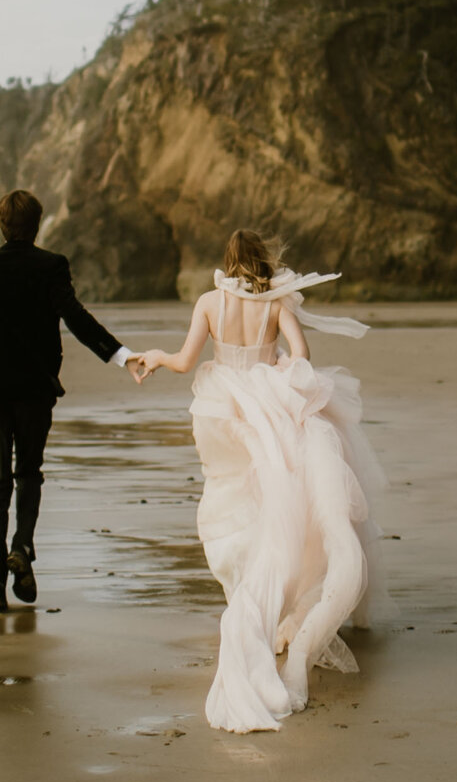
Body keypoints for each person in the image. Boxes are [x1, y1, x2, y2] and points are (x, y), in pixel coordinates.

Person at [133, 229, 394, 732]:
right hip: (266, 409)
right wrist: (273, 372)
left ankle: (249, 599)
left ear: (226, 260)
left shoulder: (210, 302)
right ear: (261, 260)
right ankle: (279, 610)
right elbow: (301, 356)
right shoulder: (276, 304)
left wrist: (154, 357)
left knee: (232, 497)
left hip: (221, 412)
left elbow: (186, 361)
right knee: (277, 499)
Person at [0, 189, 138, 614]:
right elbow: (75, 317)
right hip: (35, 387)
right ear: (37, 225)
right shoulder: (51, 266)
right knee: (28, 472)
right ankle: (23, 545)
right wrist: (120, 355)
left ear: (2, 225)